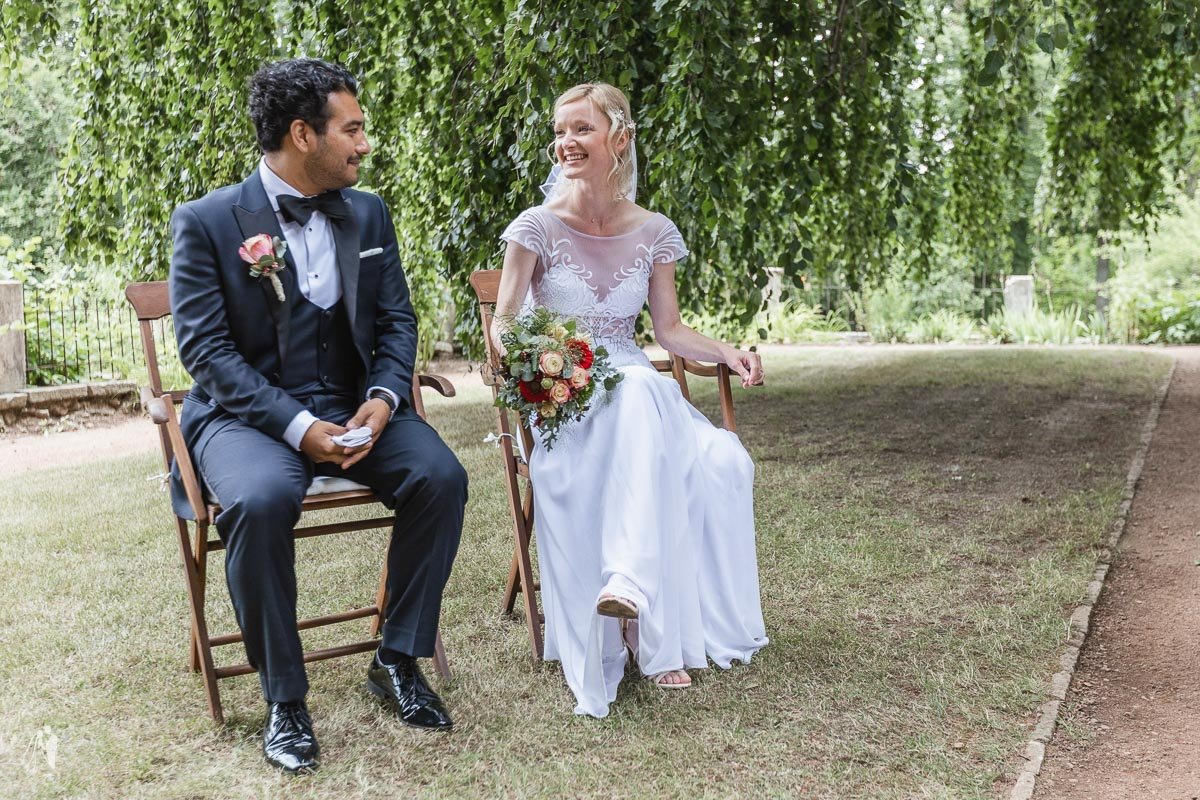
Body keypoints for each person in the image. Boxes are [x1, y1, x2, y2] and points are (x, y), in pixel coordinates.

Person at [169, 58, 467, 773]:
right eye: (352, 129)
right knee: (264, 497)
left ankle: (395, 658)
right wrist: (301, 430)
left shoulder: (368, 212)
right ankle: (285, 699)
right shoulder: (207, 222)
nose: (364, 145)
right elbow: (205, 354)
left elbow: (397, 322)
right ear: (303, 135)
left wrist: (384, 396)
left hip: (354, 406)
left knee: (441, 477)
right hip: (246, 420)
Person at [492, 82, 768, 717]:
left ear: (620, 138)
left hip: (636, 389)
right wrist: (535, 365)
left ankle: (631, 588)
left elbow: (667, 331)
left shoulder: (653, 231)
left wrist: (726, 352)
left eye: (582, 129)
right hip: (569, 398)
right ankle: (644, 616)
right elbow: (505, 322)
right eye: (561, 130)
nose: (566, 142)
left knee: (721, 458)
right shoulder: (534, 228)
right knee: (645, 386)